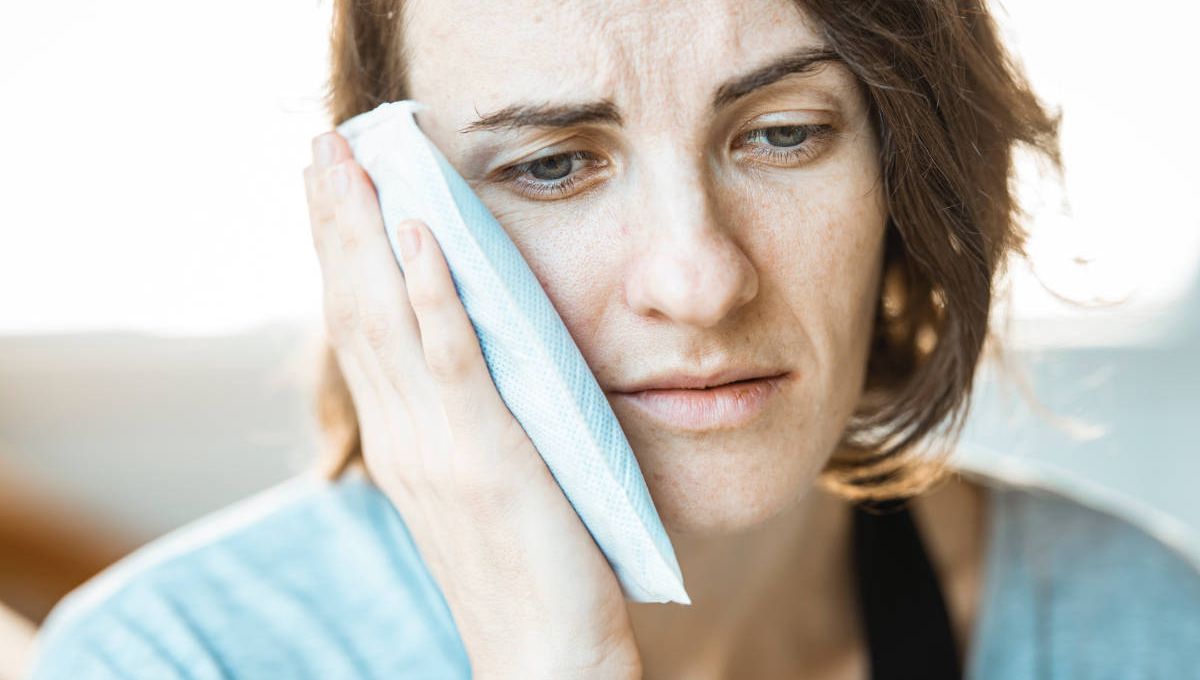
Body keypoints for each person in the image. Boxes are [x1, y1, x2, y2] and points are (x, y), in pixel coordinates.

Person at [24, 0, 1200, 678]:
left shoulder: (1133, 625)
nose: (698, 278)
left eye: (785, 135)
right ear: (388, 218)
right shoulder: (169, 662)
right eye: (552, 165)